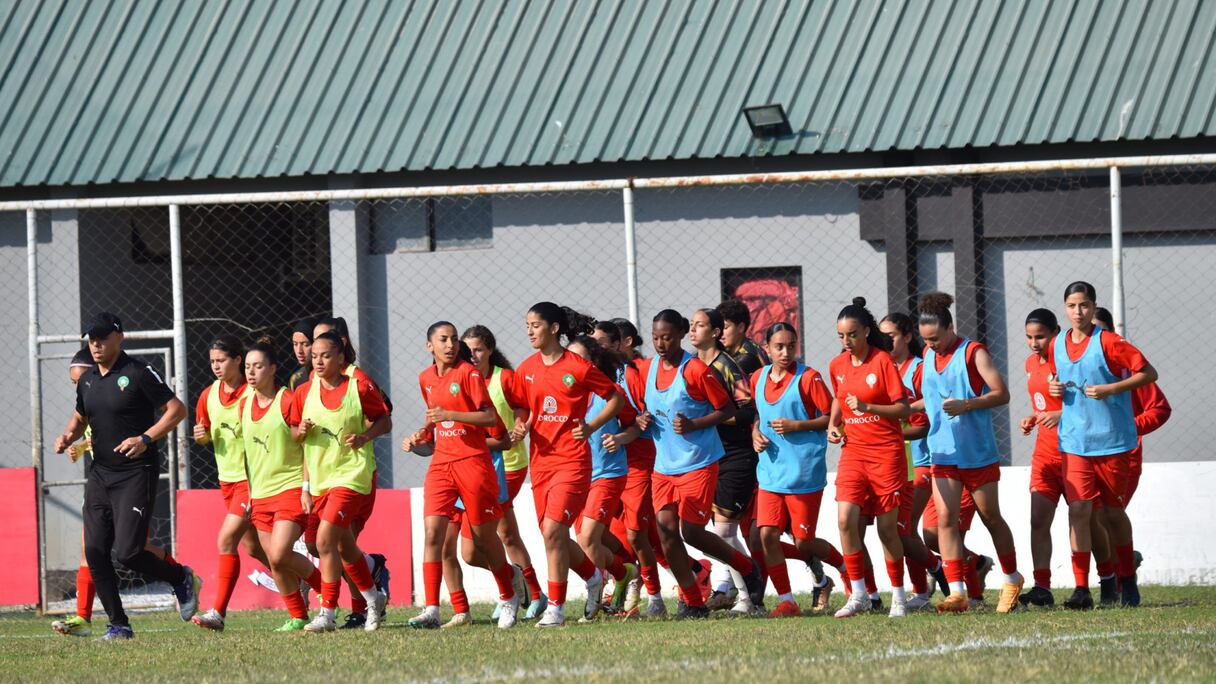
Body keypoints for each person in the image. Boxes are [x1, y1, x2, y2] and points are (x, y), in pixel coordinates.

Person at [53, 312, 198, 640]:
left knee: (130, 552)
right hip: (100, 476)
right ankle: (119, 624)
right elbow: (80, 416)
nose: (96, 344)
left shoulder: (138, 373)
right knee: (94, 550)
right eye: (91, 339)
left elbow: (177, 410)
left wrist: (145, 438)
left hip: (135, 473)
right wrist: (67, 436)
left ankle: (180, 577)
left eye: (102, 338)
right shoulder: (88, 379)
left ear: (119, 338)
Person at [630, 309, 765, 619]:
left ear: (679, 335)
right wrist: (641, 419)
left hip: (699, 463)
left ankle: (746, 567)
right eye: (655, 338)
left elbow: (726, 408)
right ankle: (693, 602)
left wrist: (695, 424)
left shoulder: (696, 371)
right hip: (664, 466)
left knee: (690, 531)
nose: (660, 343)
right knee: (666, 533)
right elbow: (643, 409)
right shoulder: (648, 370)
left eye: (666, 337)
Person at [505, 303, 625, 627]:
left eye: (536, 325)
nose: (529, 331)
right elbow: (521, 408)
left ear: (554, 328)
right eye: (527, 325)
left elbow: (615, 398)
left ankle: (555, 609)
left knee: (554, 530)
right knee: (551, 536)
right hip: (540, 462)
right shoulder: (526, 369)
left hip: (572, 460)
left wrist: (590, 426)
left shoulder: (578, 367)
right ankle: (593, 578)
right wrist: (521, 426)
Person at [401, 322, 522, 629]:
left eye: (454, 339)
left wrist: (450, 415)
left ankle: (509, 594)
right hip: (442, 465)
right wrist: (421, 434)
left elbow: (489, 417)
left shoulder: (468, 374)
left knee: (483, 539)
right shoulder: (425, 378)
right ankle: (432, 608)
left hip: (473, 462)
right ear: (430, 346)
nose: (451, 344)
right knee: (433, 535)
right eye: (443, 339)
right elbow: (434, 420)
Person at [1049, 282, 1158, 609]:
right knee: (1079, 510)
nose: (1078, 312)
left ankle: (1127, 576)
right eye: (1071, 305)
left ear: (1094, 307)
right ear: (1065, 308)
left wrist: (1113, 388)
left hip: (1111, 442)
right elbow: (1061, 379)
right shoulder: (1057, 343)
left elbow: (1148, 373)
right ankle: (1082, 588)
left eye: (1084, 305)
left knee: (1112, 514)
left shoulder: (1109, 342)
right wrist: (1055, 388)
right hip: (1074, 442)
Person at [914, 292, 1023, 614]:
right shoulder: (928, 356)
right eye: (926, 340)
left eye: (935, 338)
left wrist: (968, 404)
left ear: (950, 328)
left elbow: (1001, 393)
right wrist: (900, 410)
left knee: (991, 517)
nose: (931, 345)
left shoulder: (973, 352)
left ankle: (1012, 578)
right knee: (945, 521)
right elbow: (931, 399)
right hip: (943, 453)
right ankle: (957, 592)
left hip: (977, 454)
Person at [291, 331, 391, 632]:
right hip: (321, 479)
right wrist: (302, 434)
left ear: (340, 358)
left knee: (324, 540)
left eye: (325, 355)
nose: (318, 360)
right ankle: (374, 598)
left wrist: (364, 436)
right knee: (343, 548)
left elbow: (385, 421)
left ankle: (328, 613)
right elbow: (296, 435)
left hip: (352, 476)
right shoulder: (303, 391)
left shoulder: (358, 387)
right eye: (315, 355)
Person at [750, 323, 846, 617]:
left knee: (804, 541)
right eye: (779, 346)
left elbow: (830, 417)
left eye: (791, 345)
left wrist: (798, 426)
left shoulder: (809, 378)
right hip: (770, 472)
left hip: (803, 473)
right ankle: (787, 600)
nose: (786, 352)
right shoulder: (757, 377)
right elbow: (759, 415)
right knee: (766, 535)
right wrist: (755, 432)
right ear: (766, 348)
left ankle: (844, 568)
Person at [827, 298, 911, 618]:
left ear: (866, 332)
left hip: (885, 454)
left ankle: (899, 598)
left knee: (887, 530)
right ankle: (859, 594)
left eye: (852, 335)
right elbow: (839, 398)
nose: (847, 342)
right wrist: (834, 425)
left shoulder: (882, 362)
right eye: (841, 336)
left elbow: (902, 409)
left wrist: (868, 408)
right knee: (846, 520)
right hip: (853, 453)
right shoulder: (837, 365)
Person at [460, 325, 548, 620]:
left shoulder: (504, 378)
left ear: (490, 350)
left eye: (479, 349)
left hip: (506, 465)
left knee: (497, 536)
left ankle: (521, 592)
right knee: (481, 548)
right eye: (468, 349)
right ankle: (518, 583)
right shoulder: (460, 379)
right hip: (471, 467)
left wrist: (520, 426)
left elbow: (524, 408)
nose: (473, 355)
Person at [240, 338, 324, 631]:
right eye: (248, 366)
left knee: (279, 553)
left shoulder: (287, 400)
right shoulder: (245, 403)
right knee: (275, 562)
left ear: (273, 368)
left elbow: (305, 446)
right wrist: (250, 493)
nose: (251, 372)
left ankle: (324, 589)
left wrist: (305, 487)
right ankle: (298, 616)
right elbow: (249, 455)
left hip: (289, 489)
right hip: (260, 494)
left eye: (258, 366)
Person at [191, 335, 270, 630]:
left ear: (238, 360)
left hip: (250, 480)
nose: (216, 366)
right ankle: (302, 581)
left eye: (221, 360)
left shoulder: (253, 393)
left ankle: (218, 613)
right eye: (212, 361)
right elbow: (205, 435)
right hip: (227, 481)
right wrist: (202, 436)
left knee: (226, 540)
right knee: (254, 549)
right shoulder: (207, 395)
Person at [688, 308, 760, 612]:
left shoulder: (727, 366)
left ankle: (747, 596)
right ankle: (741, 588)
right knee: (715, 530)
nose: (693, 331)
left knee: (724, 531)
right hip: (707, 455)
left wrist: (708, 420)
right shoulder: (689, 365)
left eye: (700, 325)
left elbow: (746, 410)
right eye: (691, 325)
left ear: (716, 332)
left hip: (737, 454)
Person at [567, 335, 640, 617]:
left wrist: (620, 438)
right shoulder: (564, 393)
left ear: (593, 362)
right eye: (568, 359)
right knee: (594, 537)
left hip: (608, 473)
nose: (572, 365)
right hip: (576, 474)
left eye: (579, 359)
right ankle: (626, 571)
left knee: (587, 540)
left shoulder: (610, 392)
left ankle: (606, 585)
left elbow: (634, 426)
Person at [600, 319, 669, 617]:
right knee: (599, 533)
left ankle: (654, 596)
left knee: (636, 533)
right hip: (603, 466)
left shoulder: (636, 373)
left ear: (618, 344)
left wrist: (642, 418)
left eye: (602, 343)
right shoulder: (590, 377)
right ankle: (625, 578)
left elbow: (651, 408)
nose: (596, 348)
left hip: (638, 461)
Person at [878, 312, 940, 611]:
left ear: (907, 337)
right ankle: (933, 584)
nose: (885, 342)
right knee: (903, 531)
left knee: (903, 530)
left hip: (922, 462)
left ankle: (937, 577)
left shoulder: (918, 369)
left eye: (890, 336)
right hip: (891, 465)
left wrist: (893, 428)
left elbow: (926, 417)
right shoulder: (881, 367)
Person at [1017, 309, 1065, 608]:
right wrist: (1033, 418)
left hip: (1075, 451)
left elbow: (1087, 401)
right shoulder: (1031, 363)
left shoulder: (1068, 360)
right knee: (1038, 520)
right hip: (1045, 452)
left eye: (1041, 337)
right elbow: (1042, 403)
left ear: (1056, 333)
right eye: (1029, 337)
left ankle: (1108, 579)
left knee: (1087, 520)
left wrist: (1061, 414)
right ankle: (1043, 587)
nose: (1034, 343)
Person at [717, 299, 770, 377]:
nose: (720, 333)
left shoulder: (748, 357)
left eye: (725, 327)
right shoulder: (733, 349)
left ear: (741, 327)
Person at [288, 317, 318, 390]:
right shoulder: (296, 379)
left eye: (305, 344)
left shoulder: (330, 375)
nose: (299, 351)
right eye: (295, 344)